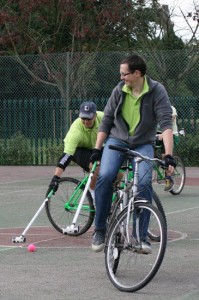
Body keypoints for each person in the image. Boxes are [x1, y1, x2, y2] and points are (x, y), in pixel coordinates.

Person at [90, 53, 176, 254]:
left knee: (144, 182)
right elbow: (107, 120)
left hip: (142, 143)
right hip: (116, 140)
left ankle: (141, 236)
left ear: (137, 73)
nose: (121, 78)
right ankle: (100, 229)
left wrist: (169, 155)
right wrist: (97, 148)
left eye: (124, 74)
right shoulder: (119, 90)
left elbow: (166, 124)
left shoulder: (157, 91)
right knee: (105, 176)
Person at [47, 101, 104, 198]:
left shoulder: (102, 117)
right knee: (97, 168)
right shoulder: (75, 131)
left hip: (95, 147)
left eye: (88, 118)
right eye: (83, 118)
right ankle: (94, 194)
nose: (85, 121)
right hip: (78, 149)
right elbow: (66, 156)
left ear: (95, 115)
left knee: (119, 172)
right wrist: (56, 178)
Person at [157, 105, 178, 191]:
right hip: (158, 135)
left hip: (171, 134)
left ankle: (168, 179)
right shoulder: (154, 108)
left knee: (165, 156)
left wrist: (164, 133)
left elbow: (171, 119)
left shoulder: (171, 108)